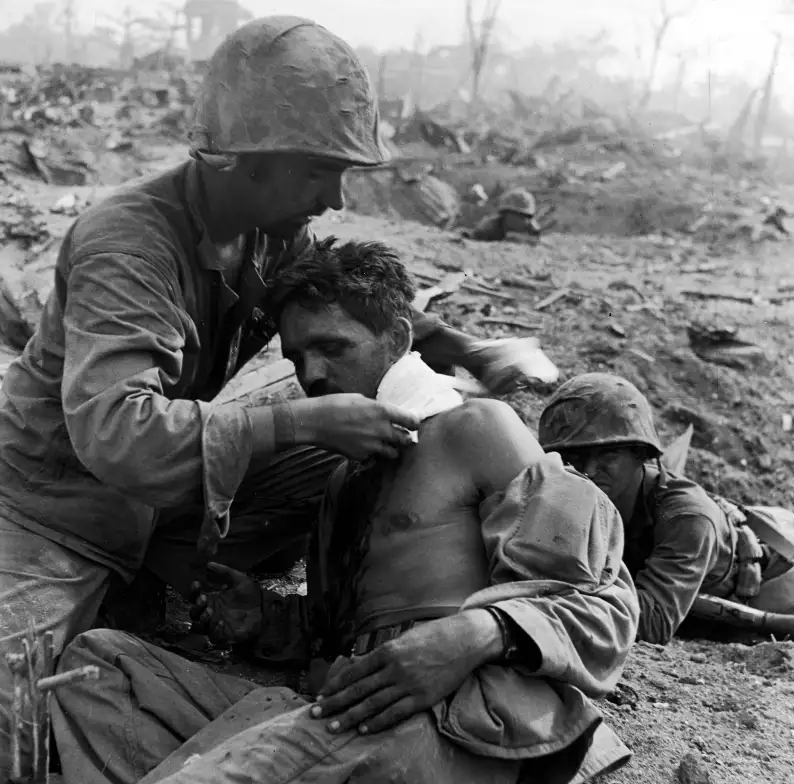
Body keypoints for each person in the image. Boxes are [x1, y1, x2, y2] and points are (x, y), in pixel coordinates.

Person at [0, 16, 544, 779]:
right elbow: (118, 437)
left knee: (369, 434)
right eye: (319, 169)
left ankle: (194, 591)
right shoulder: (128, 244)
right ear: (245, 161)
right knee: (15, 723)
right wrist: (293, 422)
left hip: (160, 497)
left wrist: (462, 348)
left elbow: (348, 305)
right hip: (52, 512)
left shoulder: (269, 233)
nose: (335, 194)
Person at [51, 238, 639, 784]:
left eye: (333, 347)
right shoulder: (343, 476)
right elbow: (343, 630)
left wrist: (473, 635)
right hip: (343, 709)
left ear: (397, 336)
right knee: (100, 669)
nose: (312, 375)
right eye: (297, 357)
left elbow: (601, 598)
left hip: (452, 720)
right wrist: (264, 617)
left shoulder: (476, 429)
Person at [538, 372, 794, 645]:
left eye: (608, 455)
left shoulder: (683, 518)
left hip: (779, 580)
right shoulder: (573, 488)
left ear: (640, 454)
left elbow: (653, 622)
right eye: (575, 456)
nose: (589, 470)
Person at [465, 187, 551, 242]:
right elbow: (475, 236)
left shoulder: (532, 229)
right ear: (505, 214)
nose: (519, 220)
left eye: (523, 216)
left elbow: (539, 241)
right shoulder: (492, 225)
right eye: (515, 214)